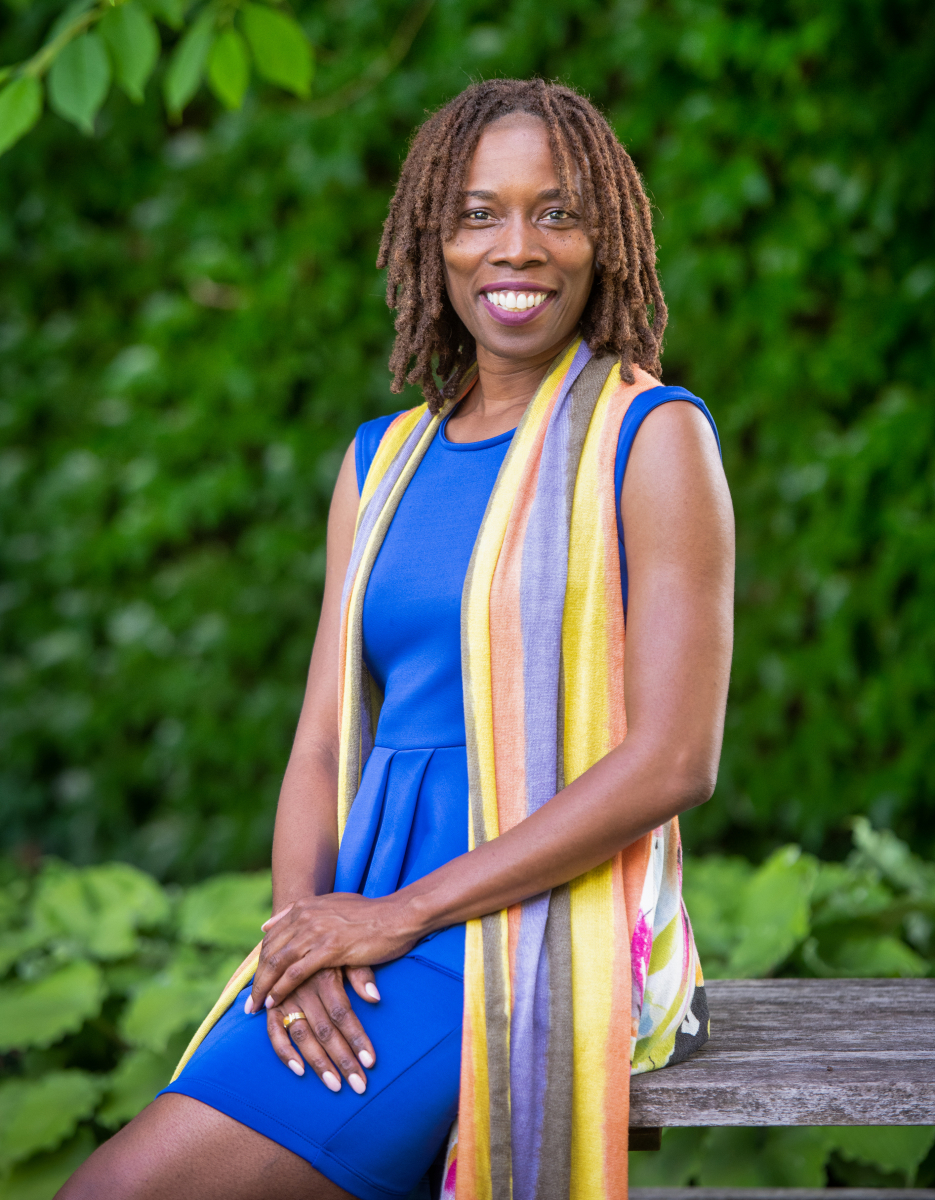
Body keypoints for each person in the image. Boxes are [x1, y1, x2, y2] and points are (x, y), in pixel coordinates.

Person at [58, 78, 734, 1200]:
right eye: (478, 212)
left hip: (517, 930)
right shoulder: (381, 461)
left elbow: (674, 760)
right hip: (361, 913)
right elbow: (322, 743)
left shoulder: (651, 439)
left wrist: (397, 916)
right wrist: (298, 943)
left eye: (555, 212)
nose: (516, 247)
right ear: (435, 237)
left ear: (602, 237)